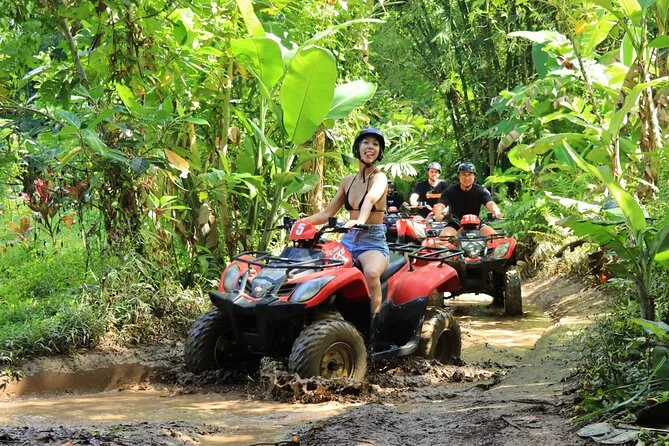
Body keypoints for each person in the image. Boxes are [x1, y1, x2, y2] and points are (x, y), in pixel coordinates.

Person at [300, 127, 389, 350]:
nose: (371, 147)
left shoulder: (380, 178)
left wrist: (361, 219)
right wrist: (301, 222)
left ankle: (375, 334)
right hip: (348, 240)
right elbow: (326, 214)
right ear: (358, 147)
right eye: (366, 142)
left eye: (376, 144)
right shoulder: (347, 181)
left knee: (371, 273)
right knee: (320, 271)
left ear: (380, 152)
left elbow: (370, 199)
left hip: (373, 242)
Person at [434, 162, 503, 237]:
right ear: (458, 176)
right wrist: (438, 214)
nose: (466, 178)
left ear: (474, 176)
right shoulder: (450, 191)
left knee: (495, 238)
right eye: (463, 174)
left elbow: (490, 203)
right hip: (455, 224)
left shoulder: (481, 190)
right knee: (444, 237)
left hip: (476, 224)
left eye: (469, 175)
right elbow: (440, 205)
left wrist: (497, 212)